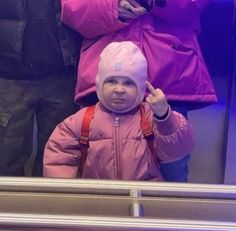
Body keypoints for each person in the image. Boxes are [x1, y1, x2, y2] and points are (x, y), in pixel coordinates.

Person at [60, 0, 217, 182]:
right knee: (100, 171)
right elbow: (72, 9)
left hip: (167, 78)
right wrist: (112, 7)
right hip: (107, 77)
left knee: (172, 175)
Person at [43, 41, 194, 180]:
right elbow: (58, 158)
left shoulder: (151, 117)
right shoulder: (81, 120)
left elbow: (179, 150)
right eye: (111, 81)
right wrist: (70, 199)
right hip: (96, 200)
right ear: (99, 84)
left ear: (141, 88)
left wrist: (164, 116)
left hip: (145, 200)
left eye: (128, 83)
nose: (119, 89)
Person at [0, 0, 82, 176]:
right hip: (10, 76)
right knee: (6, 156)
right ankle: (9, 204)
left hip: (62, 75)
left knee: (58, 159)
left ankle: (50, 204)